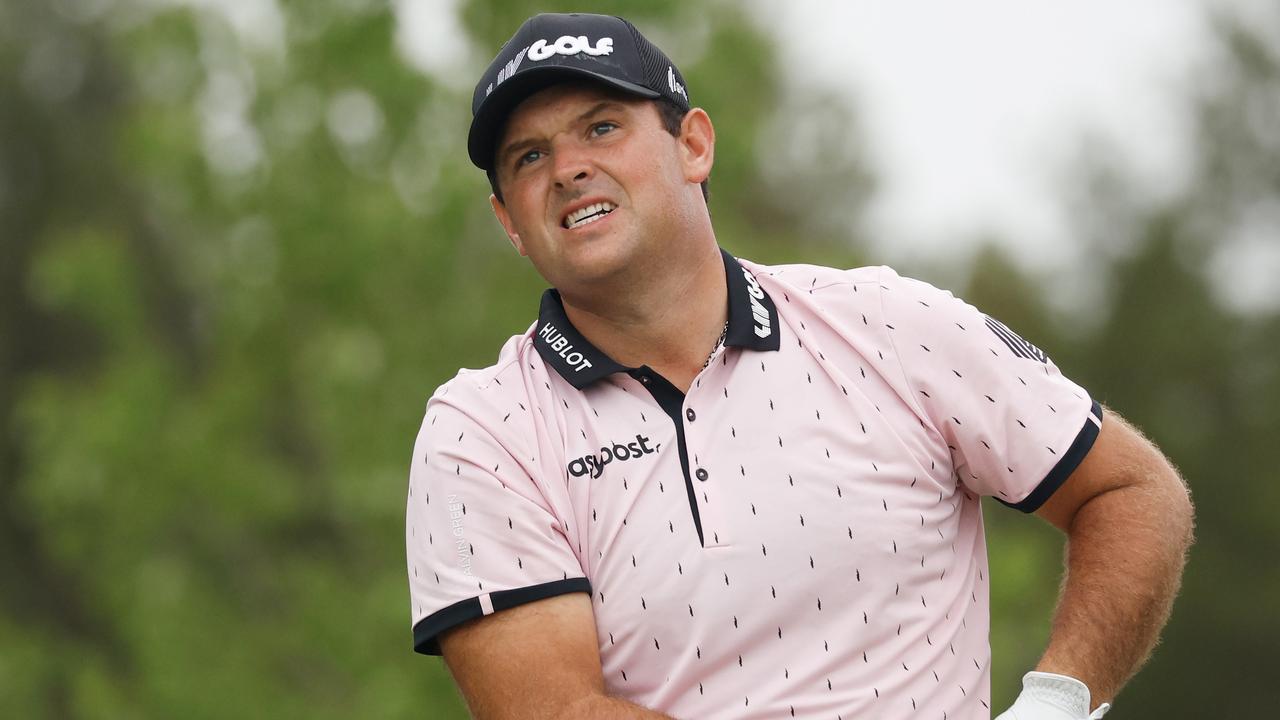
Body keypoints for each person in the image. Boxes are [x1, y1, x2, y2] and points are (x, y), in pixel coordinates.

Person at [404, 12, 1193, 720]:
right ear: (509, 218)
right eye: (530, 155)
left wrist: (1057, 703)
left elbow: (1131, 490)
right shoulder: (482, 431)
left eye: (602, 128)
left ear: (693, 145)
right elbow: (557, 713)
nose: (568, 167)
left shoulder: (889, 325)